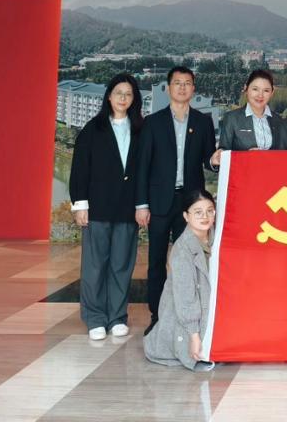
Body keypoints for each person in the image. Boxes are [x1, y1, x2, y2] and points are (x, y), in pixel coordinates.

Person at [135, 66, 217, 335]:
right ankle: (158, 317)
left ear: (194, 88)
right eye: (177, 83)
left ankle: (191, 319)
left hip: (190, 204)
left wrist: (217, 160)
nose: (182, 87)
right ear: (169, 87)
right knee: (157, 261)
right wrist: (141, 204)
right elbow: (143, 166)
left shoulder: (203, 122)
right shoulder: (153, 122)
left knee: (191, 261)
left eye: (187, 83)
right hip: (159, 202)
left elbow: (208, 160)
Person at [70, 73, 143, 341]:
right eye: (118, 93)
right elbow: (80, 169)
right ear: (109, 96)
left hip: (127, 208)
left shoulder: (140, 129)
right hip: (98, 208)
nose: (123, 98)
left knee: (121, 265)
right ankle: (95, 317)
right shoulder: (93, 129)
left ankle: (117, 317)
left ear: (134, 99)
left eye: (128, 94)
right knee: (95, 266)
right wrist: (80, 205)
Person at [144, 189, 217, 371]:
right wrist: (194, 336)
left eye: (209, 211)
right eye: (198, 212)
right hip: (187, 312)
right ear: (186, 216)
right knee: (197, 349)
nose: (205, 216)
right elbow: (185, 298)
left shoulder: (218, 237)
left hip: (211, 304)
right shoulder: (182, 249)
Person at [211, 68, 286, 166]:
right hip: (243, 174)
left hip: (271, 174)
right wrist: (246, 157)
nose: (260, 95)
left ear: (272, 93)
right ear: (246, 89)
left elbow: (282, 156)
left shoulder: (278, 120)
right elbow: (224, 154)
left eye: (266, 90)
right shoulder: (232, 118)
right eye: (255, 89)